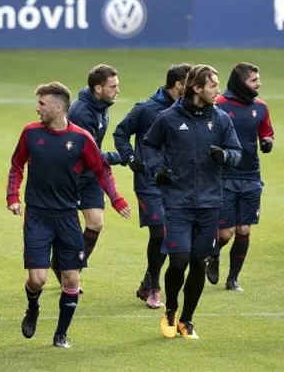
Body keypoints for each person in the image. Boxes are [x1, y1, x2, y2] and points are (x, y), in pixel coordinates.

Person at [7, 81, 131, 349]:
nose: (36, 108)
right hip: (37, 216)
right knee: (37, 279)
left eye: (41, 103)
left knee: (71, 278)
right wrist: (12, 197)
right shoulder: (30, 133)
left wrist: (117, 199)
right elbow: (16, 164)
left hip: (67, 217)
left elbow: (102, 171)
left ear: (59, 107)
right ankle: (32, 308)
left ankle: (60, 335)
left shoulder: (81, 139)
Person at [143, 64, 242, 339]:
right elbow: (149, 146)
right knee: (179, 260)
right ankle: (171, 310)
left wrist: (226, 156)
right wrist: (156, 170)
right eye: (213, 85)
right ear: (197, 88)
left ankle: (187, 320)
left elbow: (237, 151)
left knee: (199, 262)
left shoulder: (221, 119)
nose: (218, 90)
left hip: (210, 203)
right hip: (177, 201)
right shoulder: (169, 118)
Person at [113, 63, 192, 308]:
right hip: (148, 182)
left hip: (177, 184)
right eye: (190, 83)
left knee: (170, 234)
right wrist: (130, 157)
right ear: (179, 84)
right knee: (160, 231)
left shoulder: (190, 111)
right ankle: (155, 288)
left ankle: (148, 281)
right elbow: (120, 132)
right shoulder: (146, 109)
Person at [207, 62, 274, 291]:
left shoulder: (261, 107)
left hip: (251, 175)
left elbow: (267, 132)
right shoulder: (219, 105)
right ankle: (213, 255)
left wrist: (267, 142)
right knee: (226, 232)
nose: (259, 84)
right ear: (241, 82)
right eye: (254, 80)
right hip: (224, 175)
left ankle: (233, 278)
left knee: (244, 229)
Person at [65, 64, 125, 279]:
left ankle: (72, 268)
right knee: (68, 230)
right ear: (98, 89)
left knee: (96, 223)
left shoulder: (102, 105)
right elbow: (89, 154)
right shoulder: (82, 113)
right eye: (113, 86)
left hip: (90, 175)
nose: (117, 90)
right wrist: (120, 157)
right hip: (71, 177)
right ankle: (67, 270)